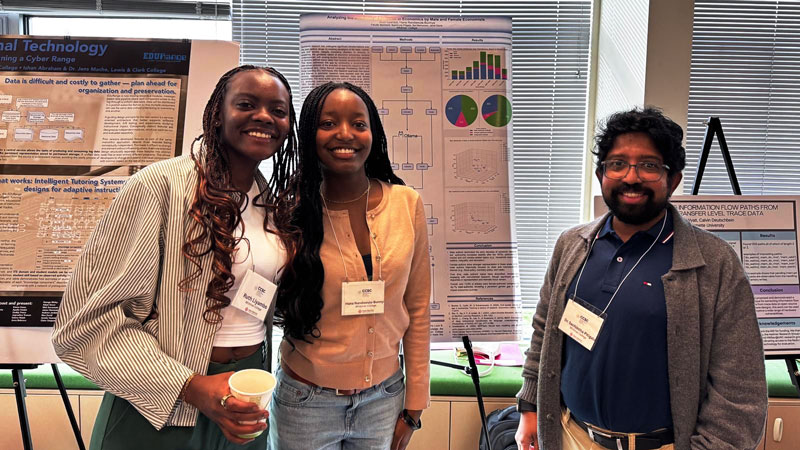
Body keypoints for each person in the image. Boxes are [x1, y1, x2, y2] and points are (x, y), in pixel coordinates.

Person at [51, 65, 299, 450]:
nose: (264, 117)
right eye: (247, 104)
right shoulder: (157, 187)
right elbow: (84, 323)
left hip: (246, 394)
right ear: (218, 114)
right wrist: (190, 386)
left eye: (278, 110)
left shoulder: (270, 203)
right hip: (161, 404)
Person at [515, 107, 768, 450]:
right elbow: (545, 329)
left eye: (648, 165)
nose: (631, 177)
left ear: (673, 179)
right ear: (601, 173)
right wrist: (530, 406)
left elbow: (739, 392)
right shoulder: (571, 245)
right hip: (570, 436)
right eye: (617, 164)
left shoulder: (714, 264)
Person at [269, 82, 431, 450]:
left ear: (373, 133)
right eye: (329, 123)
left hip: (384, 399)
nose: (346, 134)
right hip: (305, 401)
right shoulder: (289, 211)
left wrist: (415, 405)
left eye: (359, 123)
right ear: (309, 134)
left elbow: (418, 308)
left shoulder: (406, 204)